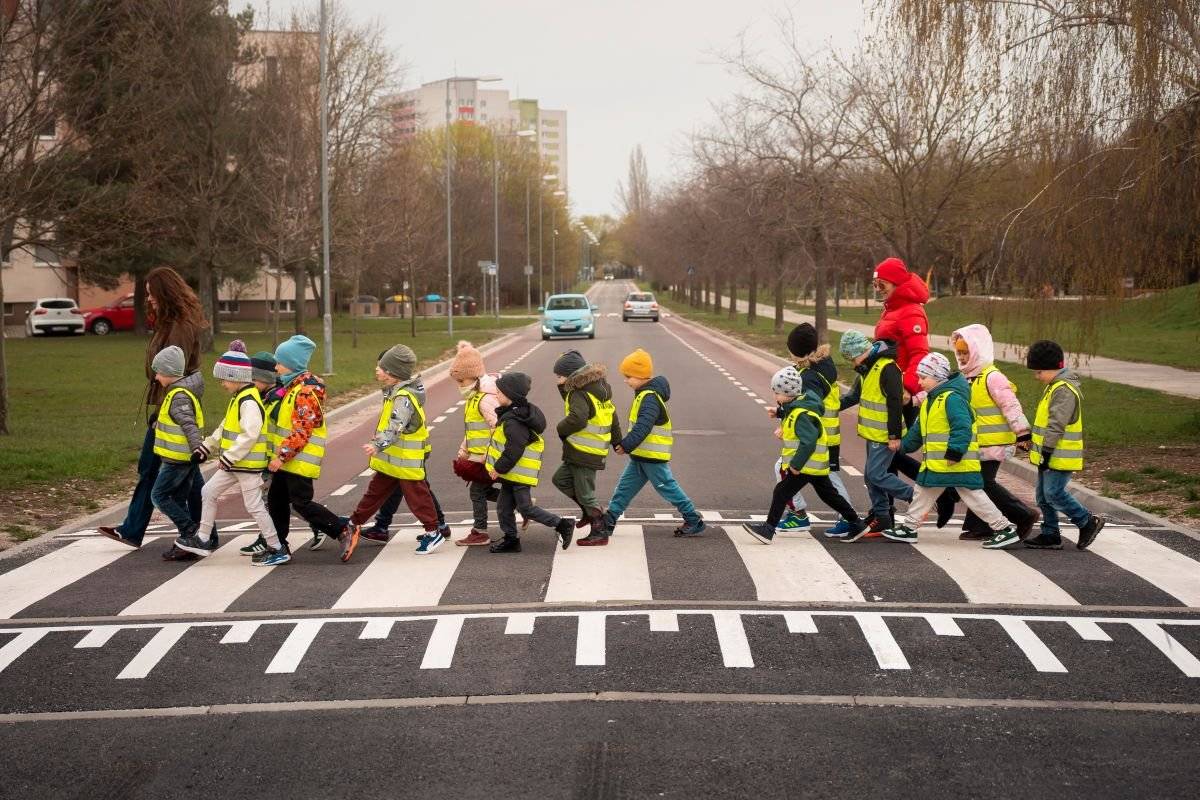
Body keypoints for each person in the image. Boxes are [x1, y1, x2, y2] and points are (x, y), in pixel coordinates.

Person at [99, 266, 210, 561]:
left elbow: (175, 372)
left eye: (151, 293)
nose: (148, 299)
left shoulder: (180, 327)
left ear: (164, 293)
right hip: (167, 407)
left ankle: (198, 533)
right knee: (174, 472)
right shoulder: (169, 323)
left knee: (168, 472)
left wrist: (164, 412)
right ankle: (138, 529)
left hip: (172, 409)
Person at [879, 353, 1020, 548]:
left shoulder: (952, 399)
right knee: (924, 491)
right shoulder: (931, 400)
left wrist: (955, 452)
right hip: (940, 463)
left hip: (955, 461)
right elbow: (918, 432)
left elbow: (963, 426)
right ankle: (909, 527)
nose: (919, 382)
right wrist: (903, 446)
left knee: (973, 497)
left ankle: (1004, 528)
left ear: (937, 377)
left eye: (923, 377)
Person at [583, 348, 704, 546]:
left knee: (667, 487)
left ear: (640, 376)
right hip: (641, 455)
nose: (625, 380)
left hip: (652, 456)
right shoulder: (644, 394)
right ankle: (610, 520)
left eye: (628, 376)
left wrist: (626, 445)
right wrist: (629, 446)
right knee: (624, 488)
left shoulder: (650, 398)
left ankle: (693, 519)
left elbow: (644, 426)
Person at [177, 343, 282, 562]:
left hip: (246, 466)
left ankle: (276, 547)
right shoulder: (239, 399)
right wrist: (207, 447)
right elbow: (225, 428)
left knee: (254, 506)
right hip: (235, 464)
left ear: (235, 377)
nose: (222, 384)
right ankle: (203, 539)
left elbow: (249, 435)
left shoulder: (249, 401)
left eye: (224, 379)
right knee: (208, 492)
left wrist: (228, 457)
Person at [343, 344, 446, 561]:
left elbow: (395, 425)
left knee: (417, 496)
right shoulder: (396, 392)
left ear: (393, 372)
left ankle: (433, 531)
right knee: (375, 491)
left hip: (405, 460)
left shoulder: (403, 397)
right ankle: (354, 523)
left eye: (381, 367)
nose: (377, 370)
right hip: (393, 460)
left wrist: (378, 444)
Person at [742, 366, 866, 544]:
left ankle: (767, 530)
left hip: (805, 465)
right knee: (829, 495)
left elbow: (808, 441)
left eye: (777, 393)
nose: (775, 397)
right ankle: (857, 524)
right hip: (814, 464)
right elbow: (794, 413)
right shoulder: (799, 407)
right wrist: (780, 413)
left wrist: (796, 465)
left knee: (781, 492)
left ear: (787, 393)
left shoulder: (801, 414)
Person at [939, 325, 1040, 540]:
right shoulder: (965, 378)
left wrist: (1022, 432)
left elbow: (1011, 405)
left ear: (979, 351)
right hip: (977, 444)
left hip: (994, 443)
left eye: (967, 352)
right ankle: (979, 526)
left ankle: (1023, 515)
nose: (963, 357)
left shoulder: (992, 377)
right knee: (975, 482)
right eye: (960, 353)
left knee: (983, 483)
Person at [262, 335, 345, 565]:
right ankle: (279, 546)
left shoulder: (305, 392)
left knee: (301, 503)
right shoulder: (293, 386)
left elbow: (302, 430)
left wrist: (280, 456)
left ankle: (341, 529)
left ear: (291, 363)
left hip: (298, 459)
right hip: (290, 458)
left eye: (279, 362)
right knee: (277, 500)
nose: (276, 367)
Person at [1023, 340, 1106, 550]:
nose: (1036, 376)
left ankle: (1087, 521)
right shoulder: (1054, 387)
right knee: (1042, 496)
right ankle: (1050, 534)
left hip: (1059, 455)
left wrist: (1047, 452)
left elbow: (1056, 424)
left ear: (1053, 368)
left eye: (1039, 371)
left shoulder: (1064, 390)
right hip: (1048, 453)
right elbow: (1045, 423)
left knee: (1053, 493)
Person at [485, 371, 576, 553]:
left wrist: (498, 468)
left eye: (500, 393)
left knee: (526, 508)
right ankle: (511, 539)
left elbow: (515, 449)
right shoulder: (512, 414)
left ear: (511, 395)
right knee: (504, 508)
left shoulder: (514, 421)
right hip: (512, 474)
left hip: (517, 474)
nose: (496, 395)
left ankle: (562, 524)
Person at [780, 323, 856, 536]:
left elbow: (808, 405)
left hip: (815, 435)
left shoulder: (809, 377)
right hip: (828, 433)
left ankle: (800, 515)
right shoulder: (824, 363)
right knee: (829, 477)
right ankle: (845, 518)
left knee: (785, 469)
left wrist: (783, 416)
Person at [837, 330, 914, 539]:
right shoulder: (866, 370)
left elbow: (895, 402)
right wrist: (828, 408)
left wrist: (894, 436)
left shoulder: (887, 368)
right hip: (873, 434)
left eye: (852, 358)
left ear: (861, 351)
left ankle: (916, 498)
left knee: (876, 475)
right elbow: (853, 397)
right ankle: (883, 518)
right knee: (871, 477)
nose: (853, 363)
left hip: (886, 436)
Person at [552, 349, 621, 539]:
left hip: (585, 452)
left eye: (559, 376)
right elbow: (613, 417)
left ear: (572, 376)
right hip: (581, 451)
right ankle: (589, 512)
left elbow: (578, 418)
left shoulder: (579, 393)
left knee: (586, 494)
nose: (557, 380)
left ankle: (599, 529)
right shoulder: (596, 390)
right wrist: (616, 441)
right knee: (561, 479)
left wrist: (560, 428)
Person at [443, 340, 504, 546]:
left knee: (477, 491)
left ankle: (480, 532)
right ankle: (520, 504)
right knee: (483, 491)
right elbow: (474, 429)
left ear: (475, 377)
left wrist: (490, 454)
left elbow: (497, 428)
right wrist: (464, 449)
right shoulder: (474, 397)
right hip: (479, 455)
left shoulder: (485, 398)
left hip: (489, 457)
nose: (459, 386)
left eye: (462, 381)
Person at [146, 346, 206, 547]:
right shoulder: (176, 392)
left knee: (158, 496)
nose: (155, 377)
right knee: (180, 498)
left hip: (178, 460)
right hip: (180, 458)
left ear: (169, 373)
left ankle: (190, 529)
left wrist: (198, 448)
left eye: (158, 372)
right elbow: (176, 421)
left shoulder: (178, 395)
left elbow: (189, 425)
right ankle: (190, 539)